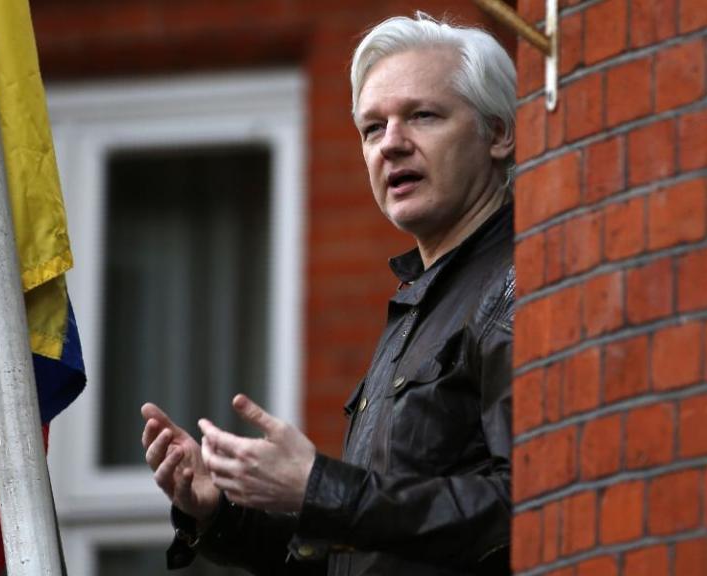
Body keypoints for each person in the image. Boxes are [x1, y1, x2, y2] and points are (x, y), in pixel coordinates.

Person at [141, 12, 516, 575]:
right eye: (372, 128)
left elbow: (529, 507)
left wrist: (323, 488)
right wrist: (221, 513)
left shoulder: (515, 282)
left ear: (498, 133)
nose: (391, 144)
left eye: (422, 115)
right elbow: (367, 553)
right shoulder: (422, 301)